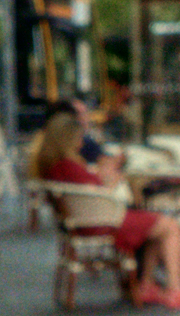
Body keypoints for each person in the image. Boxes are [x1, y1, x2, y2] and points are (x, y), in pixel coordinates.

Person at [34, 109, 180, 306]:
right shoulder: (68, 165)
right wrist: (111, 179)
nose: (81, 142)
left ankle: (147, 284)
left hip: (84, 221)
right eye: (78, 138)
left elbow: (89, 189)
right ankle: (173, 288)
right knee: (169, 225)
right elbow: (99, 191)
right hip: (103, 221)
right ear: (66, 139)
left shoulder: (54, 165)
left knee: (157, 225)